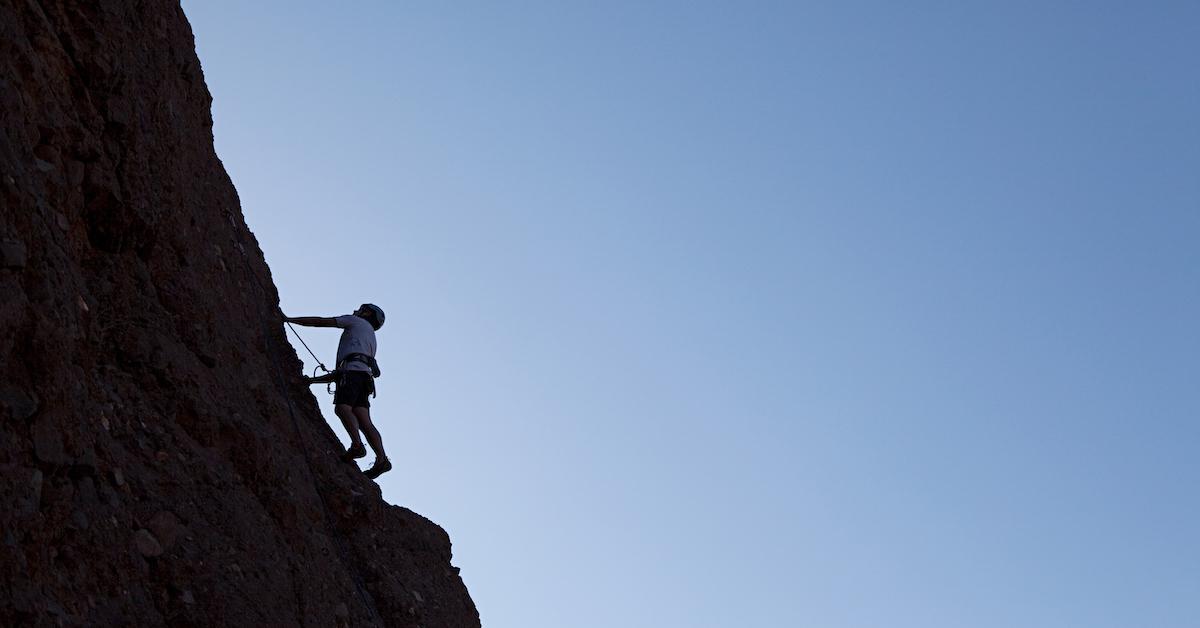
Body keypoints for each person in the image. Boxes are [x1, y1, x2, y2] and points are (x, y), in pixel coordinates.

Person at [284, 304, 391, 479]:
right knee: (363, 418)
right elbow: (342, 372)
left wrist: (290, 320)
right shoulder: (369, 337)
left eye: (361, 309)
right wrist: (312, 381)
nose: (356, 310)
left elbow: (321, 322)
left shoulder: (355, 321)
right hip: (364, 378)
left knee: (342, 408)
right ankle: (381, 458)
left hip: (353, 375)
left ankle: (357, 446)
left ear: (367, 313)